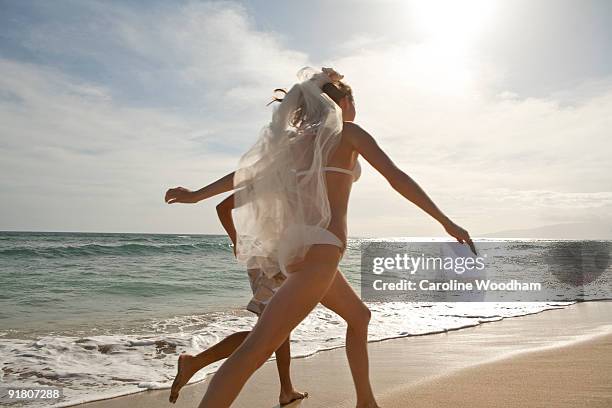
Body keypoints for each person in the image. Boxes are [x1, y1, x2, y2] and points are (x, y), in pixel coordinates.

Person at [165, 66, 475, 408]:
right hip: (322, 252)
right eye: (352, 98)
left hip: (298, 250)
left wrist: (196, 195)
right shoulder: (350, 133)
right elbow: (397, 178)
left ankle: (366, 402)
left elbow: (242, 176)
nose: (355, 106)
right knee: (255, 348)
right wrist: (445, 221)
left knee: (359, 317)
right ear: (340, 101)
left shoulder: (295, 143)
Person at [168, 192, 307, 406]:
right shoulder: (267, 177)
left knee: (280, 328)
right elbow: (222, 207)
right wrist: (236, 242)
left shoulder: (284, 177)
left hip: (278, 260)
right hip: (269, 263)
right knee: (269, 333)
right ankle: (195, 362)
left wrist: (239, 243)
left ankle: (286, 390)